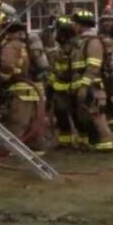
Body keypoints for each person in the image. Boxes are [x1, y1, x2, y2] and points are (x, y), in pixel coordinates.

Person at [0, 22, 47, 153]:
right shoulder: (29, 46)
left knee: (17, 120)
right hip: (36, 88)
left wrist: (4, 78)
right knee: (35, 120)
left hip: (21, 89)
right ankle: (37, 147)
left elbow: (7, 65)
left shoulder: (11, 46)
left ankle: (13, 149)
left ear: (11, 33)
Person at [70, 9, 113, 152]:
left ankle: (106, 142)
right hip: (84, 84)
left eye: (75, 24)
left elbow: (93, 66)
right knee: (87, 115)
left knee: (97, 115)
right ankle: (94, 141)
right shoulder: (82, 42)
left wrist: (84, 84)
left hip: (92, 86)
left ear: (81, 25)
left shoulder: (93, 42)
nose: (73, 26)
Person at [47, 16, 80, 148]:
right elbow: (54, 69)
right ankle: (65, 141)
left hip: (73, 87)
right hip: (59, 88)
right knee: (61, 115)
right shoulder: (58, 50)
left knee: (77, 115)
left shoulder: (76, 49)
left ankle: (84, 140)